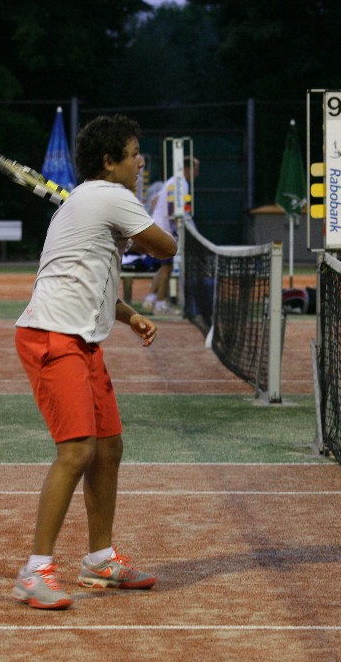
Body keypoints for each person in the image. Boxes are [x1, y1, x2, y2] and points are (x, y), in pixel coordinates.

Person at [12, 114, 177, 610]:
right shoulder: (108, 196)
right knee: (77, 451)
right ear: (109, 162)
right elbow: (166, 247)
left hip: (81, 338)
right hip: (52, 335)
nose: (141, 161)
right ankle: (34, 571)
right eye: (134, 153)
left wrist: (128, 315)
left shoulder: (87, 201)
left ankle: (100, 560)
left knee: (108, 448)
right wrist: (142, 228)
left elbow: (83, 275)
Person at [141, 156, 200, 315]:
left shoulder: (172, 181)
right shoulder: (181, 183)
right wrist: (176, 227)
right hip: (164, 229)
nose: (197, 173)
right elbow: (173, 208)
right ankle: (160, 304)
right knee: (168, 267)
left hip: (159, 226)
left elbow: (155, 200)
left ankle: (150, 299)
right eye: (195, 170)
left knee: (164, 266)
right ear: (187, 169)